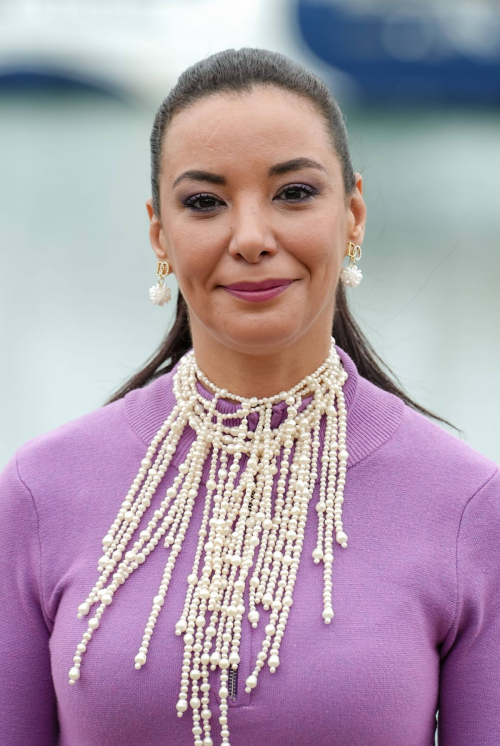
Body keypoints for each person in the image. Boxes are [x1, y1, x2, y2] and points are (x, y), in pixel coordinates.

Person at [1, 48, 498, 746]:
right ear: (159, 234)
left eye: (294, 193)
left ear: (353, 213)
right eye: (204, 202)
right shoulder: (38, 495)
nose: (252, 238)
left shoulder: (469, 508)